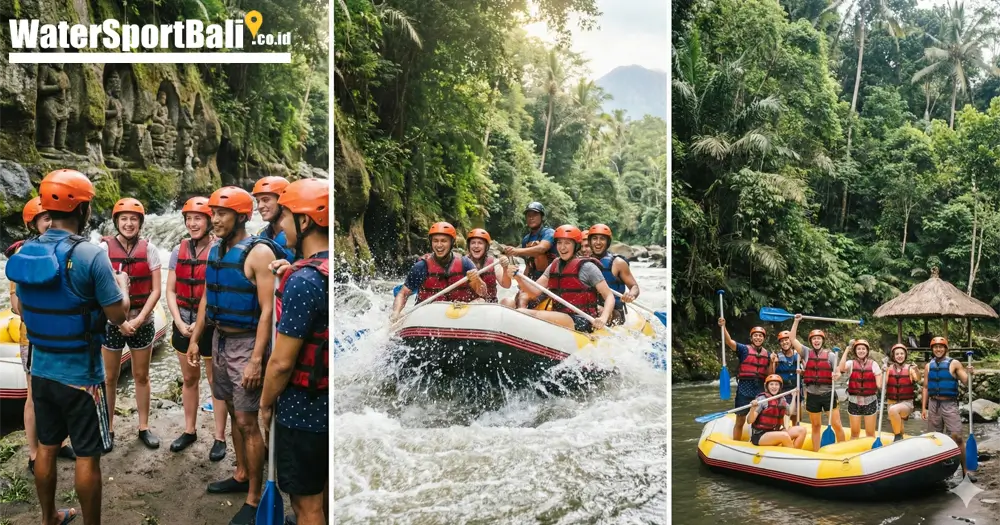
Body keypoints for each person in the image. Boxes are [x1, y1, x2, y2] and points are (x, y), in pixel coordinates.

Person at [5, 169, 131, 525]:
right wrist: (121, 283)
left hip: (41, 371)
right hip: (82, 378)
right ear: (84, 209)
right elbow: (117, 313)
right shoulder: (92, 255)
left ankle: (48, 518)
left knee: (45, 447)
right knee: (88, 456)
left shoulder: (26, 252)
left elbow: (24, 309)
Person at [186, 186, 282, 525]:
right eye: (212, 213)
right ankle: (241, 473)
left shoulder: (256, 253)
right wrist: (196, 338)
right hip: (220, 341)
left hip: (246, 345)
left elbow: (268, 311)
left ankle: (255, 498)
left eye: (221, 214)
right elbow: (206, 300)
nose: (214, 220)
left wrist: (257, 359)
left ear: (241, 216)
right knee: (229, 414)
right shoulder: (214, 250)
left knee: (246, 421)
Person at [260, 178, 329, 525]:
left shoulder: (304, 282)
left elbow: (282, 363)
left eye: (284, 216)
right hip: (330, 407)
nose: (279, 225)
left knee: (307, 507)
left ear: (305, 221)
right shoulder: (327, 270)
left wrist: (264, 404)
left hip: (304, 412)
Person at [8, 197, 76, 475]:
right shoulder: (23, 255)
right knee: (34, 394)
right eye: (43, 218)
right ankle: (35, 453)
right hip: (35, 334)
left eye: (52, 216)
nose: (49, 222)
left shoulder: (70, 251)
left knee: (63, 391)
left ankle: (58, 442)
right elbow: (15, 303)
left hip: (62, 333)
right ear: (33, 223)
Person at [165, 196, 228, 459]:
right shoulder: (178, 250)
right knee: (190, 379)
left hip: (211, 325)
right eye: (189, 219)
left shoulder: (219, 250)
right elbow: (169, 290)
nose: (192, 223)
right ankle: (189, 430)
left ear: (209, 221)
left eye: (198, 218)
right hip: (183, 321)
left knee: (215, 381)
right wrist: (179, 322)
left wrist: (197, 327)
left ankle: (220, 437)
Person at [99, 197, 162, 451]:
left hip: (142, 320)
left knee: (141, 375)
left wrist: (137, 319)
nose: (128, 223)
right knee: (110, 377)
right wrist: (120, 321)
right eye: (123, 219)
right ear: (116, 222)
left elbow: (156, 291)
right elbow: (100, 289)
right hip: (112, 321)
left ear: (140, 223)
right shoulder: (103, 250)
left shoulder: (150, 249)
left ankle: (144, 427)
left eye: (133, 219)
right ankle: (109, 428)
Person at [512, 225, 616, 333]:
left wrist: (603, 318)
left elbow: (609, 296)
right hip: (560, 315)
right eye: (559, 243)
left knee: (528, 313)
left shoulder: (588, 267)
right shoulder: (554, 265)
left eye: (567, 243)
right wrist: (518, 278)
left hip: (582, 320)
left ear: (576, 246)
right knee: (523, 311)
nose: (562, 247)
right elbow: (534, 292)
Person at [390, 222, 486, 322]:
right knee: (399, 315)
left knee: (481, 301)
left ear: (452, 242)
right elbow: (403, 293)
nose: (439, 245)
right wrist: (396, 312)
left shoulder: (465, 263)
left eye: (444, 241)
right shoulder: (421, 266)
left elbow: (482, 293)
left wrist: (476, 280)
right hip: (428, 314)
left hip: (458, 313)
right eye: (435, 241)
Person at [922, 337, 975, 480]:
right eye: (935, 347)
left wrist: (970, 373)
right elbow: (926, 387)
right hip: (933, 404)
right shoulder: (928, 366)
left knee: (957, 437)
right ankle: (940, 472)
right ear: (932, 349)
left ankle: (965, 471)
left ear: (945, 348)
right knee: (935, 439)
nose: (938, 349)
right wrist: (923, 408)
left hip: (949, 404)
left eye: (941, 347)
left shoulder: (954, 363)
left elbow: (965, 381)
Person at [790, 314, 845, 451]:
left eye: (818, 338)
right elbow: (792, 339)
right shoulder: (806, 353)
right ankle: (816, 451)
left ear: (822, 340)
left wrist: (836, 376)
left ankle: (843, 449)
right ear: (811, 341)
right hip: (812, 395)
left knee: (837, 424)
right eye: (814, 339)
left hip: (827, 394)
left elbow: (837, 371)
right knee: (815, 426)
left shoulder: (831, 355)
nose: (816, 341)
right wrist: (796, 321)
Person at [718, 319, 772, 441]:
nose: (758, 338)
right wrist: (724, 327)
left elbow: (769, 374)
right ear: (751, 338)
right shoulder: (744, 349)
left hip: (759, 389)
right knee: (740, 420)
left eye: (760, 336)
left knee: (759, 419)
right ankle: (736, 443)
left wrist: (773, 362)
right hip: (744, 388)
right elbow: (729, 342)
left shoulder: (767, 354)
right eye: (755, 336)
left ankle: (756, 442)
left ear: (763, 339)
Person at [501, 202, 557, 308]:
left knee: (523, 298)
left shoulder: (549, 233)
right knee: (518, 297)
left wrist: (516, 251)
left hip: (549, 279)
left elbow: (541, 249)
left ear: (542, 217)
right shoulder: (526, 239)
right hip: (533, 277)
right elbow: (528, 264)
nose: (531, 218)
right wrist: (522, 282)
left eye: (535, 215)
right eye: (528, 215)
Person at [587, 224, 640, 326]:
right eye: (594, 239)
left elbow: (634, 287)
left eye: (602, 239)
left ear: (608, 242)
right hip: (590, 308)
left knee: (599, 310)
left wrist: (631, 294)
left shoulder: (618, 263)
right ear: (590, 241)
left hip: (614, 312)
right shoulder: (583, 262)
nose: (598, 242)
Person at [838, 339, 882, 440]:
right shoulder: (851, 363)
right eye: (858, 349)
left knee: (870, 433)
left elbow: (879, 385)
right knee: (854, 433)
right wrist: (846, 350)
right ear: (855, 351)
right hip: (854, 401)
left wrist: (883, 373)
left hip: (870, 401)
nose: (861, 351)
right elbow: (841, 368)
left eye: (863, 349)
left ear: (867, 351)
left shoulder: (874, 364)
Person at [748, 374, 805, 448]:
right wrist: (752, 409)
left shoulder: (781, 399)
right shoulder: (762, 399)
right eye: (771, 384)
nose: (774, 387)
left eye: (776, 384)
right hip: (760, 435)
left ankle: (795, 452)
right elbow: (750, 421)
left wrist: (794, 396)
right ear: (767, 386)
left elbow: (789, 412)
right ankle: (793, 456)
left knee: (802, 430)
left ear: (780, 386)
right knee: (784, 435)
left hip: (775, 432)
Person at [252, 175, 297, 262]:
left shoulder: (298, 234)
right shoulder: (262, 235)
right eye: (258, 201)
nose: (259, 206)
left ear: (281, 201)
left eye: (266, 200)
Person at [885, 343, 920, 443]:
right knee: (899, 427)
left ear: (905, 355)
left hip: (906, 403)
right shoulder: (889, 369)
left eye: (901, 353)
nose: (899, 356)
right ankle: (900, 440)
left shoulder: (910, 368)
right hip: (892, 401)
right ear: (893, 356)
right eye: (897, 354)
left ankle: (897, 437)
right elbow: (884, 383)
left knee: (893, 410)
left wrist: (916, 370)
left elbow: (917, 378)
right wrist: (883, 371)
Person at [465, 228, 511, 303]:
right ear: (469, 246)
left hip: (490, 306)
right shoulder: (462, 262)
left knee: (508, 302)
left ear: (486, 246)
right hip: (468, 306)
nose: (476, 246)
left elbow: (506, 285)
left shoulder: (494, 263)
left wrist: (505, 267)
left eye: (480, 243)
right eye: (473, 243)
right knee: (480, 301)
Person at [771, 330, 801, 427]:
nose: (784, 342)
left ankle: (796, 433)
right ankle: (784, 431)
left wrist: (802, 371)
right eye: (782, 341)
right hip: (783, 390)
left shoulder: (799, 355)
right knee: (785, 415)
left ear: (791, 341)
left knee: (797, 417)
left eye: (786, 340)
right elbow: (771, 375)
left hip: (796, 389)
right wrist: (773, 363)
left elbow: (807, 369)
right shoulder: (777, 358)